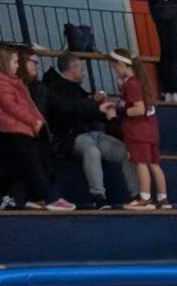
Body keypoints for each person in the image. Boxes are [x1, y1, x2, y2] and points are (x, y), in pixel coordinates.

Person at [41, 55, 131, 212]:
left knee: (125, 151)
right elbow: (71, 109)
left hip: (93, 133)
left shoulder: (78, 91)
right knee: (92, 151)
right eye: (82, 69)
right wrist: (95, 106)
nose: (84, 74)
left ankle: (135, 194)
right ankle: (98, 196)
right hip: (71, 136)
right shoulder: (55, 89)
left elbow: (83, 108)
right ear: (72, 68)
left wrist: (96, 103)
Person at [0, 50, 68, 211]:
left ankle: (21, 198)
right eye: (15, 62)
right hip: (11, 131)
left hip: (20, 129)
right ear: (5, 63)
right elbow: (11, 106)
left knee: (22, 166)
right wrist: (33, 120)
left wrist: (36, 120)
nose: (17, 66)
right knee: (32, 162)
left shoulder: (13, 82)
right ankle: (48, 197)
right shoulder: (1, 83)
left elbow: (27, 105)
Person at [115, 57, 165, 209]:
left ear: (123, 65)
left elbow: (139, 109)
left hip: (138, 131)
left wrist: (121, 112)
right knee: (154, 164)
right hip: (151, 131)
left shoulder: (131, 84)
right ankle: (163, 199)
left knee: (141, 163)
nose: (115, 70)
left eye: (115, 66)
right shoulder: (142, 83)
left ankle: (145, 198)